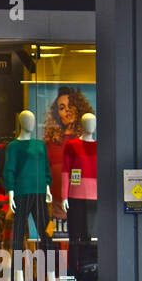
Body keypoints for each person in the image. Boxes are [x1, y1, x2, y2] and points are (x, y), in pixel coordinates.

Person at [42, 87, 95, 218]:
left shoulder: (88, 142)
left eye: (71, 105)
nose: (67, 110)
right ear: (57, 114)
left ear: (78, 108)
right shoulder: (50, 142)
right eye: (62, 107)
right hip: (57, 205)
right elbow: (45, 172)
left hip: (83, 199)